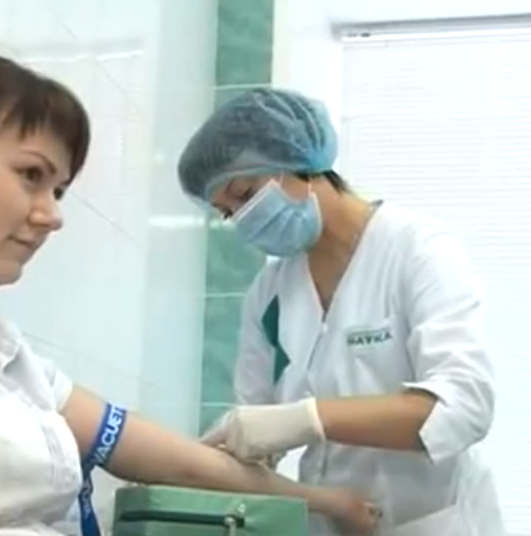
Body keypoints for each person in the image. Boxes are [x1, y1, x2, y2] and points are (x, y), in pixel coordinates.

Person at [0, 53, 379, 536]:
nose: (51, 214)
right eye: (30, 175)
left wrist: (326, 502)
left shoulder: (3, 351)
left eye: (58, 190)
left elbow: (171, 459)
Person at [177, 87, 505, 536]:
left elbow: (465, 406)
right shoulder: (268, 294)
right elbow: (256, 435)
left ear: (299, 161)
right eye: (227, 212)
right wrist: (204, 460)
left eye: (246, 194)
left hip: (435, 524)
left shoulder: (417, 250)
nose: (244, 218)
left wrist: (307, 419)